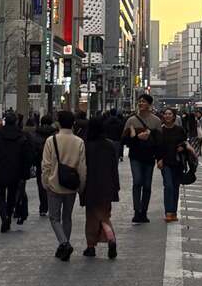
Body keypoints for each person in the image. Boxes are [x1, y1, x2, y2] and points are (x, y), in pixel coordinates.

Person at [40, 109, 87, 260]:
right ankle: (64, 245)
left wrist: (45, 181)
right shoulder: (79, 141)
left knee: (54, 218)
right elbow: (82, 167)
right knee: (67, 217)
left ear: (59, 123)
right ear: (73, 123)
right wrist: (81, 186)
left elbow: (46, 165)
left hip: (54, 183)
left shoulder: (51, 140)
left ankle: (64, 244)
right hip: (71, 184)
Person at [81, 115, 120, 259]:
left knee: (92, 216)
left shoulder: (86, 145)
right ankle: (110, 239)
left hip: (91, 185)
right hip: (107, 185)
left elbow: (82, 167)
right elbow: (113, 167)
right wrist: (116, 185)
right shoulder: (109, 145)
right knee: (104, 215)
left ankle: (92, 246)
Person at [0, 113, 30, 232]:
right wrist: (25, 173)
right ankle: (9, 215)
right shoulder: (21, 136)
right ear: (16, 122)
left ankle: (4, 215)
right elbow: (26, 157)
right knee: (11, 195)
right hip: (16, 171)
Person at [123, 94, 162, 222]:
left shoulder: (156, 121)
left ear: (150, 105)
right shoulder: (131, 120)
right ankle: (137, 211)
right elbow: (124, 139)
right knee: (137, 181)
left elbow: (159, 142)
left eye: (143, 102)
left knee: (147, 185)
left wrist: (159, 157)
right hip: (135, 156)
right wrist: (135, 137)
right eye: (139, 101)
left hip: (149, 157)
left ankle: (144, 211)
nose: (141, 104)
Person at [155, 107, 193, 222]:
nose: (167, 116)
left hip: (178, 162)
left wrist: (184, 147)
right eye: (165, 114)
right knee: (168, 186)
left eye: (170, 114)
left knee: (175, 187)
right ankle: (168, 212)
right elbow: (157, 147)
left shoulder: (179, 129)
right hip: (165, 162)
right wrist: (159, 159)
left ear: (174, 116)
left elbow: (184, 142)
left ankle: (174, 212)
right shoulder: (160, 130)